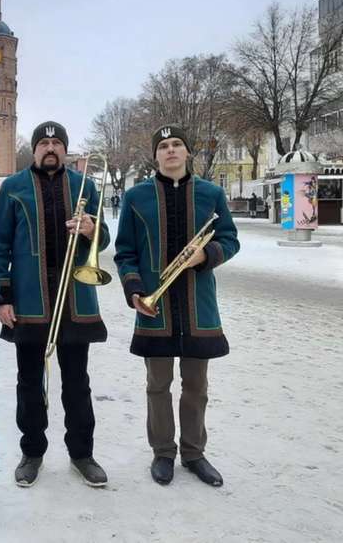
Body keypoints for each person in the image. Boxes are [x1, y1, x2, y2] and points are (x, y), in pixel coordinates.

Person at [113, 124, 240, 488]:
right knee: (157, 385)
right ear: (155, 155)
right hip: (156, 308)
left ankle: (194, 453)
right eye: (164, 146)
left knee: (196, 386)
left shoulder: (211, 194)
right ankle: (163, 452)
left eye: (177, 145)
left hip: (198, 306)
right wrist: (135, 290)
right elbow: (125, 252)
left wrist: (207, 253)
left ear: (187, 153)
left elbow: (230, 239)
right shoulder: (136, 198)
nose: (170, 151)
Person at [0, 120, 110, 488]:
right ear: (35, 149)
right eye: (44, 142)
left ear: (65, 149)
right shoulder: (13, 188)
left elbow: (102, 240)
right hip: (29, 298)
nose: (51, 148)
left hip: (75, 297)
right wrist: (3, 297)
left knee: (77, 382)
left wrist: (92, 230)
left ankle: (82, 453)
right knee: (29, 381)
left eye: (57, 142)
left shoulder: (85, 184)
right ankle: (33, 451)